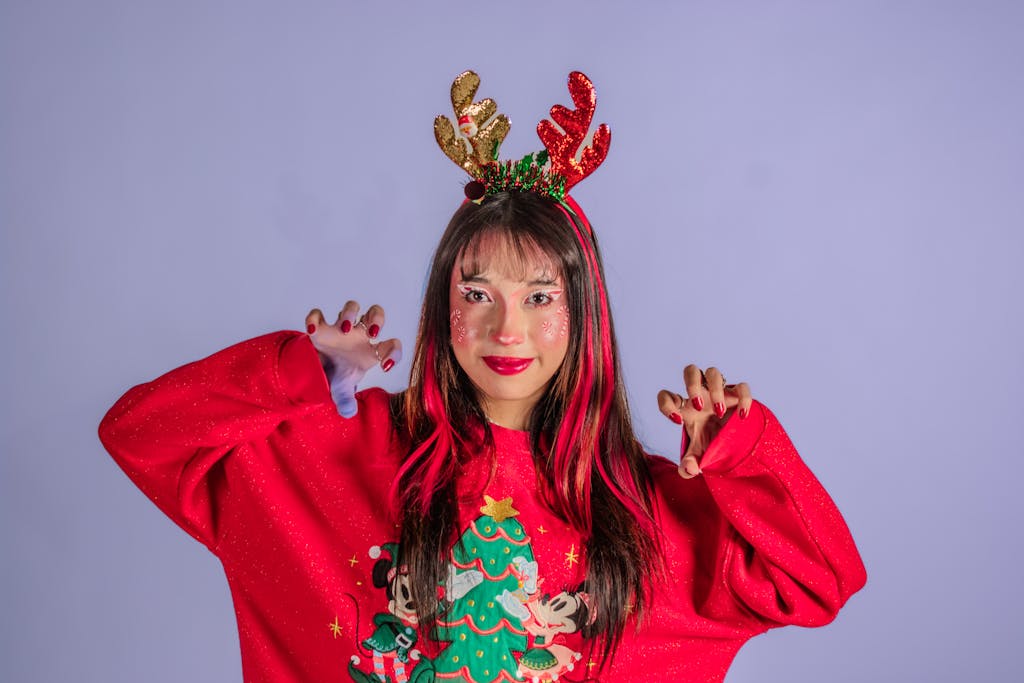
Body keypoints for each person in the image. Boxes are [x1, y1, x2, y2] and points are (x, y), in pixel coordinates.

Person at [99, 71, 865, 683]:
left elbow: (821, 579)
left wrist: (739, 450)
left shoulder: (650, 516)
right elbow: (140, 432)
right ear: (443, 305)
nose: (508, 329)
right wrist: (299, 372)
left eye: (539, 297)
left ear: (584, 312)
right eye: (478, 294)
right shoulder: (326, 455)